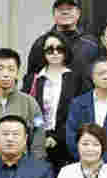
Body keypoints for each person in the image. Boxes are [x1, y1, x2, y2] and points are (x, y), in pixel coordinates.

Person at [26, 30, 88, 168]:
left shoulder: (77, 79)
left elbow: (79, 113)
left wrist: (57, 137)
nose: (55, 53)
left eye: (59, 49)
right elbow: (29, 110)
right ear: (42, 52)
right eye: (50, 49)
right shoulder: (33, 79)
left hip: (67, 145)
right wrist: (42, 135)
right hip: (37, 144)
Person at [25, 0, 101, 81]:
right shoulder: (41, 43)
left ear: (78, 13)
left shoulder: (91, 43)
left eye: (69, 9)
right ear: (54, 14)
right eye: (60, 9)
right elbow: (32, 78)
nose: (65, 12)